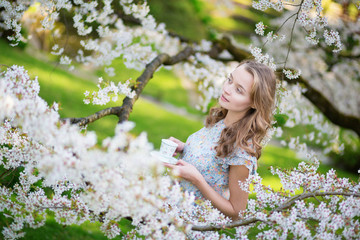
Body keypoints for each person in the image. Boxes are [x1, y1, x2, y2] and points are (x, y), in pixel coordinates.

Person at [164, 60, 277, 220]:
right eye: (230, 80)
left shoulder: (242, 151)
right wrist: (185, 147)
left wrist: (197, 180)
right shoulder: (221, 121)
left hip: (192, 226)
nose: (227, 89)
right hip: (170, 213)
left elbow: (237, 212)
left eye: (239, 90)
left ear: (254, 102)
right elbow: (213, 157)